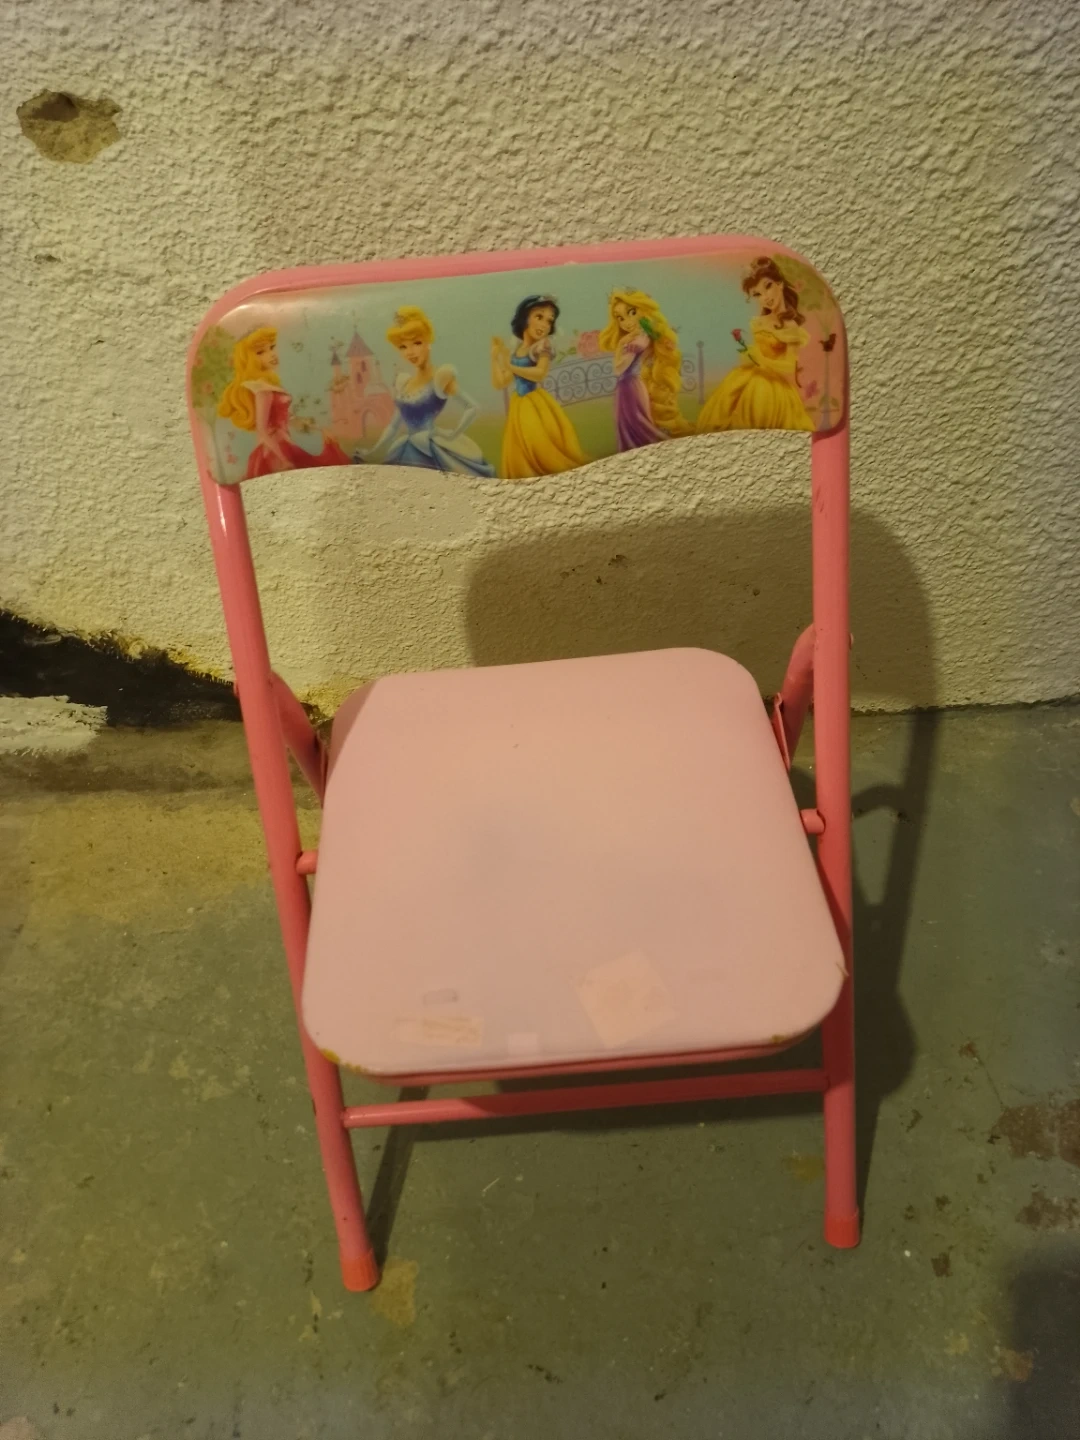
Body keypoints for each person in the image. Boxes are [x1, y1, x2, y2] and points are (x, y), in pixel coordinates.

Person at [358, 307, 495, 476]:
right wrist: (373, 452)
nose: (410, 352)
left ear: (428, 342)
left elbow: (473, 407)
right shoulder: (404, 384)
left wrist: (452, 435)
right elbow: (393, 426)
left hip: (430, 449)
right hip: (406, 448)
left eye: (417, 343)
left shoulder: (440, 377)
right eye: (403, 347)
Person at [697, 257, 816, 433]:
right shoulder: (759, 322)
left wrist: (762, 360)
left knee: (760, 400)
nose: (766, 297)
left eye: (768, 286)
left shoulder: (790, 326)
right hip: (748, 375)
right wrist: (748, 355)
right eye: (758, 294)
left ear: (780, 284)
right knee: (725, 407)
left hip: (772, 384)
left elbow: (790, 366)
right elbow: (756, 351)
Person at [217, 327, 351, 478]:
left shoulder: (269, 384)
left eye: (272, 347)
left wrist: (320, 429)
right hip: (273, 451)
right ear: (249, 358)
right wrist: (283, 459)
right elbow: (262, 430)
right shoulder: (262, 390)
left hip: (285, 444)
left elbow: (289, 418)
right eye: (260, 352)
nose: (271, 354)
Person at [490, 295, 586, 479]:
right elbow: (500, 382)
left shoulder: (542, 347)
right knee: (521, 451)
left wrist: (510, 366)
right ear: (525, 318)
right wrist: (494, 358)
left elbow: (540, 373)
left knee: (539, 445)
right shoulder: (517, 351)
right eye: (539, 317)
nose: (544, 324)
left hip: (536, 405)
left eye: (549, 321)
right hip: (519, 407)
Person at [598, 288, 692, 450]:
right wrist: (624, 345)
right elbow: (617, 367)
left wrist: (629, 349)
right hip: (623, 387)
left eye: (632, 313)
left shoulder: (641, 339)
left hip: (633, 386)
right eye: (620, 318)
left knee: (639, 423)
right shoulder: (627, 340)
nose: (627, 322)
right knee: (624, 423)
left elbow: (620, 369)